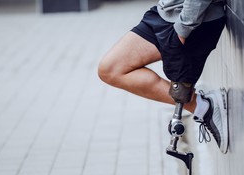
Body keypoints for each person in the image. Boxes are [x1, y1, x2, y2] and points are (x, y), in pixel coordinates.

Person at [98, 0, 228, 153]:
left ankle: (203, 108)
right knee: (110, 69)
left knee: (114, 69)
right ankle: (202, 106)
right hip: (164, 13)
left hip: (192, 20)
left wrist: (184, 27)